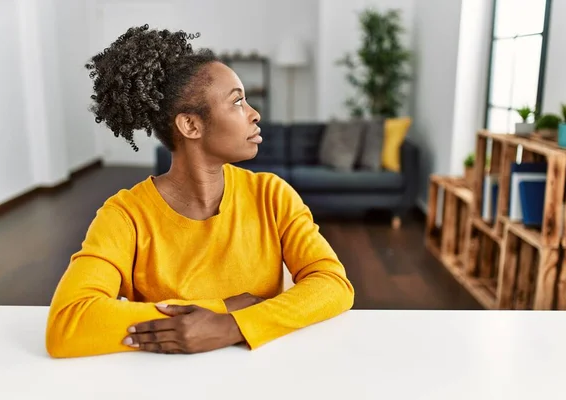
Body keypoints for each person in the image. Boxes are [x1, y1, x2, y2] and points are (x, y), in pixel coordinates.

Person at [45, 25, 354, 358]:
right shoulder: (125, 216)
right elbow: (69, 323)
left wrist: (232, 326)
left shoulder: (272, 195)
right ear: (190, 125)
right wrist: (223, 307)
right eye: (237, 103)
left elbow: (332, 284)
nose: (255, 114)